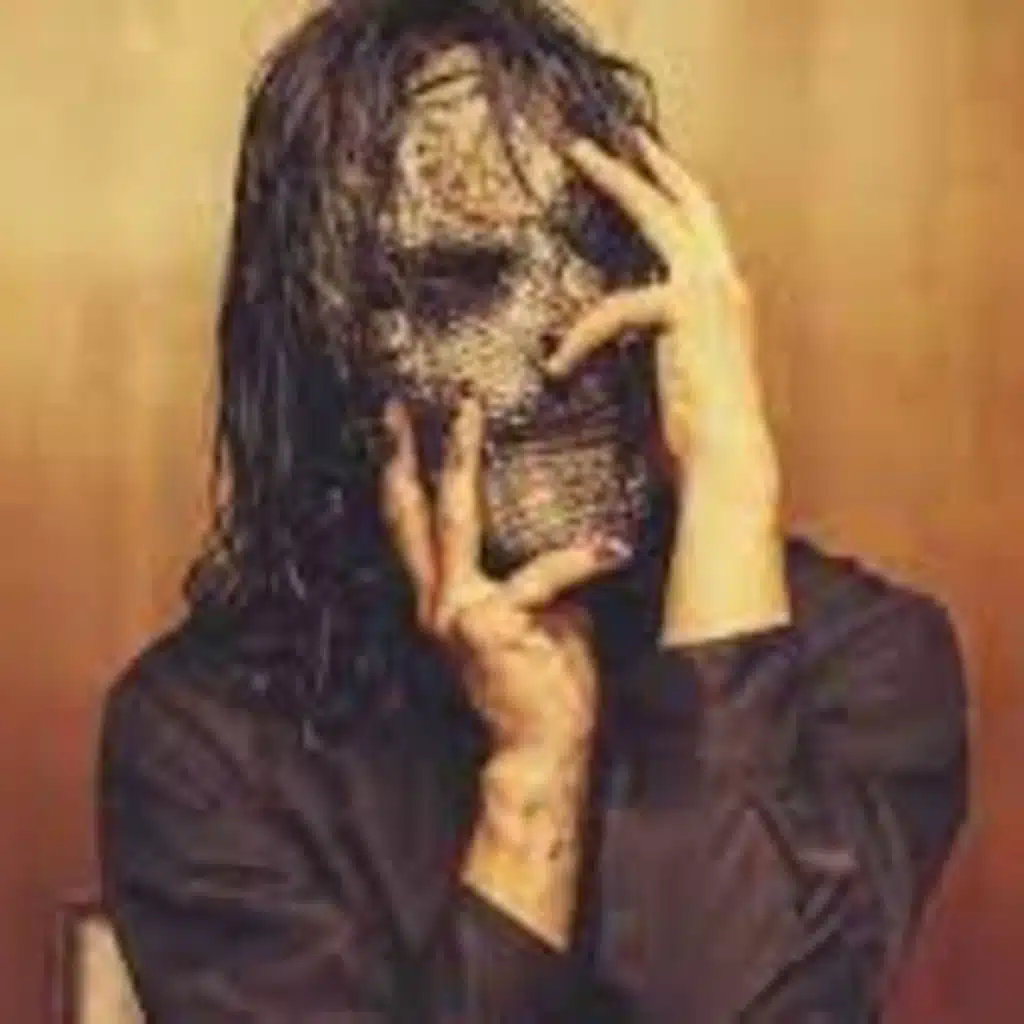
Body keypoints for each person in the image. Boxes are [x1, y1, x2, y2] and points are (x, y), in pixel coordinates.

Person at [98, 1, 969, 1020]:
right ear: (332, 335)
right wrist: (531, 789)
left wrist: (729, 482)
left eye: (602, 252)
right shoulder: (208, 738)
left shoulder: (859, 661)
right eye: (466, 279)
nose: (569, 329)